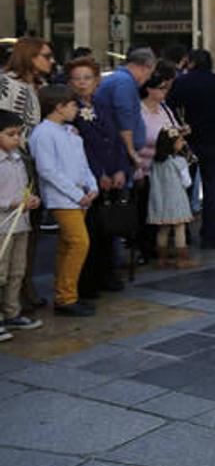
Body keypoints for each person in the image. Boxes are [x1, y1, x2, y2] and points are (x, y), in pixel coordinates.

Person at [30, 86, 100, 318]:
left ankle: (65, 294)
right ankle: (66, 296)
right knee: (79, 243)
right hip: (62, 198)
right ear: (59, 107)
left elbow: (82, 163)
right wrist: (76, 194)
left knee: (67, 246)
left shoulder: (69, 131)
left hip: (80, 196)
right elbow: (47, 170)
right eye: (72, 105)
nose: (76, 110)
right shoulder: (43, 133)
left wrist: (92, 185)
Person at [66, 58, 132, 299]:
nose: (82, 83)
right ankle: (87, 283)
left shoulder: (102, 104)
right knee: (90, 233)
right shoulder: (69, 109)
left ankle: (107, 274)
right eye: (77, 78)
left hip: (112, 173)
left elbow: (116, 139)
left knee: (108, 229)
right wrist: (98, 174)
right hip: (87, 179)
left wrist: (120, 169)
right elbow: (80, 147)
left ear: (96, 81)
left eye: (87, 78)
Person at [168, 50, 215, 249]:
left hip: (189, 140)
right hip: (213, 140)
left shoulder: (183, 82)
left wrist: (181, 126)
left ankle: (183, 231)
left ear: (191, 62)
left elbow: (170, 106)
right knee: (211, 189)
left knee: (185, 187)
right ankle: (209, 234)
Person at [0, 111, 41, 339]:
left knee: (17, 271)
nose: (16, 139)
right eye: (10, 134)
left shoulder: (19, 159)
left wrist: (30, 199)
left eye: (19, 134)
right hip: (2, 225)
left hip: (21, 224)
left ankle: (12, 313)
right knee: (0, 272)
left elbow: (25, 187)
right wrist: (12, 203)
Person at [148, 128, 197, 269]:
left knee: (163, 229)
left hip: (159, 200)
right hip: (176, 200)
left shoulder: (155, 161)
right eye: (180, 140)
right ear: (172, 144)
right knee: (179, 228)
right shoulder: (179, 161)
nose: (183, 142)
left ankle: (161, 259)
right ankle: (182, 259)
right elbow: (187, 182)